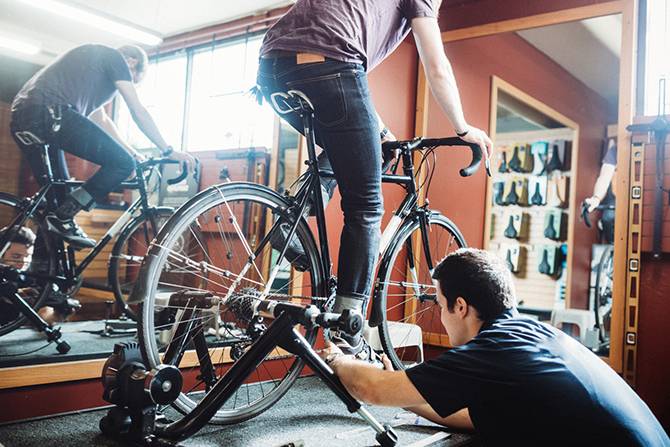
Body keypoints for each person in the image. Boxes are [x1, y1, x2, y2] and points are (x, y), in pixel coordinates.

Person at [256, 0, 493, 360]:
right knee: (365, 205)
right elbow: (437, 65)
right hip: (331, 63)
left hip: (271, 66)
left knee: (377, 143)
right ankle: (349, 326)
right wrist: (463, 128)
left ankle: (291, 219)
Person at [319, 248, 669, 446]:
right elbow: (471, 419)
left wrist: (337, 355)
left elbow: (369, 388)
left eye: (440, 305)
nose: (440, 315)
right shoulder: (531, 334)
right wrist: (402, 384)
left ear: (460, 306)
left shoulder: (492, 351)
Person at [10, 44, 192, 250]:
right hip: (50, 112)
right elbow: (136, 109)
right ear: (132, 63)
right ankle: (64, 215)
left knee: (55, 204)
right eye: (134, 79)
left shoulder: (91, 69)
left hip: (23, 119)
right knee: (122, 164)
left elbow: (102, 120)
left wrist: (133, 153)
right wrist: (167, 150)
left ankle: (46, 274)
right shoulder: (115, 58)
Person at [0, 226, 77, 325]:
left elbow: (43, 315)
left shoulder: (28, 277)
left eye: (28, 256)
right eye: (16, 256)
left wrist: (57, 312)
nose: (22, 262)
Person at [584, 137, 617, 244]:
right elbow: (604, 177)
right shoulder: (615, 150)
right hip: (617, 197)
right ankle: (612, 243)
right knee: (608, 217)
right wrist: (596, 198)